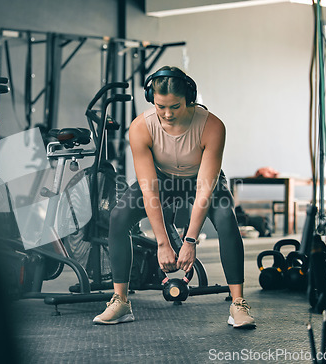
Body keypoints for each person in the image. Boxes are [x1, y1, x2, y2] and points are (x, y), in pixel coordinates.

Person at [93, 66, 255, 328]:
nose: (167, 113)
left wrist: (189, 241)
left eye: (175, 106)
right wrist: (162, 243)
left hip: (199, 178)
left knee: (226, 217)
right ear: (151, 99)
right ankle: (120, 300)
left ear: (189, 99)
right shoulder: (140, 128)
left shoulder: (212, 126)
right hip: (162, 179)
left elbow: (204, 188)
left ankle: (238, 304)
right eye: (160, 106)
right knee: (119, 216)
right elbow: (149, 189)